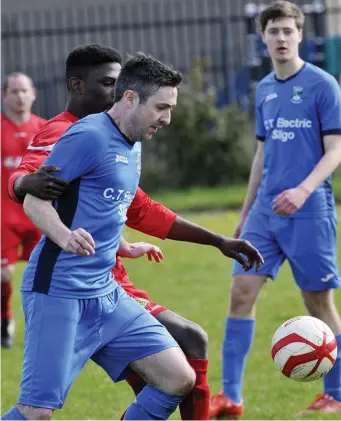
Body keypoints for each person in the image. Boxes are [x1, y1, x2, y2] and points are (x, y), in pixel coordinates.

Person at [8, 44, 264, 420]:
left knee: (178, 377)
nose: (167, 118)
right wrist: (65, 237)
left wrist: (123, 244)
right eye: (162, 107)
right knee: (36, 413)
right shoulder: (86, 136)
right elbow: (34, 200)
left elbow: (112, 204)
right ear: (130, 98)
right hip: (60, 290)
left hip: (107, 294)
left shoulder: (134, 143)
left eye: (171, 109)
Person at [209, 1, 341, 417]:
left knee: (318, 303)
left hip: (308, 210)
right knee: (240, 293)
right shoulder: (264, 88)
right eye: (274, 32)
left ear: (301, 35)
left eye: (288, 30)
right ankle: (231, 397)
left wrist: (303, 190)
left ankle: (336, 393)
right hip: (265, 212)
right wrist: (246, 212)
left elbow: (335, 150)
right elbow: (261, 156)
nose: (281, 38)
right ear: (263, 38)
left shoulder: (324, 85)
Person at [1, 72, 47, 348]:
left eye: (24, 91)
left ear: (34, 94)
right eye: (14, 91)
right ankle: (5, 320)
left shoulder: (44, 130)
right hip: (3, 219)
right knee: (3, 277)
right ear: (5, 96)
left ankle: (42, 325)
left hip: (39, 217)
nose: (19, 97)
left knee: (46, 275)